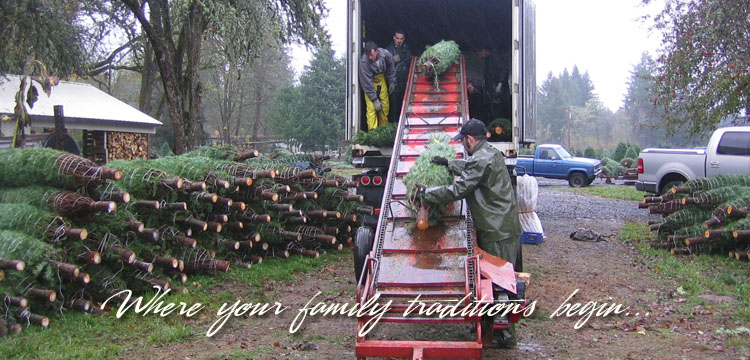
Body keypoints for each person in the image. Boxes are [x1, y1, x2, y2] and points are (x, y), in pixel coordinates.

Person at [417, 118, 522, 347]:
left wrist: (428, 194)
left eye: (463, 142)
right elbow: (471, 166)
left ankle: (505, 336)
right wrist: (448, 163)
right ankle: (491, 325)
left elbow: (461, 188)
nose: (463, 145)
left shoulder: (482, 158)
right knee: (494, 280)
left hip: (498, 230)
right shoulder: (489, 153)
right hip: (498, 225)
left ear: (470, 139)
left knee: (501, 282)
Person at [359, 41, 396, 130]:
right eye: (368, 56)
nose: (370, 58)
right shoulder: (364, 62)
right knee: (371, 109)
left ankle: (383, 130)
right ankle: (373, 133)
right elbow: (366, 82)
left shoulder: (385, 54)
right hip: (370, 83)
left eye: (372, 55)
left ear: (376, 51)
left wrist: (392, 81)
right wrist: (375, 99)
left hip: (381, 79)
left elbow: (391, 66)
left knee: (385, 106)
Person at [477, 46, 511, 120]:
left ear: (484, 50)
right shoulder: (488, 60)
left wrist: (500, 84)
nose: (480, 56)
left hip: (499, 92)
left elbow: (504, 70)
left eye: (480, 53)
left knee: (499, 110)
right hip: (492, 92)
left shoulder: (496, 57)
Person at [385, 29, 412, 123]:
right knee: (393, 108)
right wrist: (393, 60)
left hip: (404, 83)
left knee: (403, 106)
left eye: (401, 39)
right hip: (393, 83)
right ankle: (394, 126)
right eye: (397, 38)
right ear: (394, 38)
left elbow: (410, 62)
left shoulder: (407, 49)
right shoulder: (388, 50)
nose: (399, 40)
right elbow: (385, 66)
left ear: (404, 39)